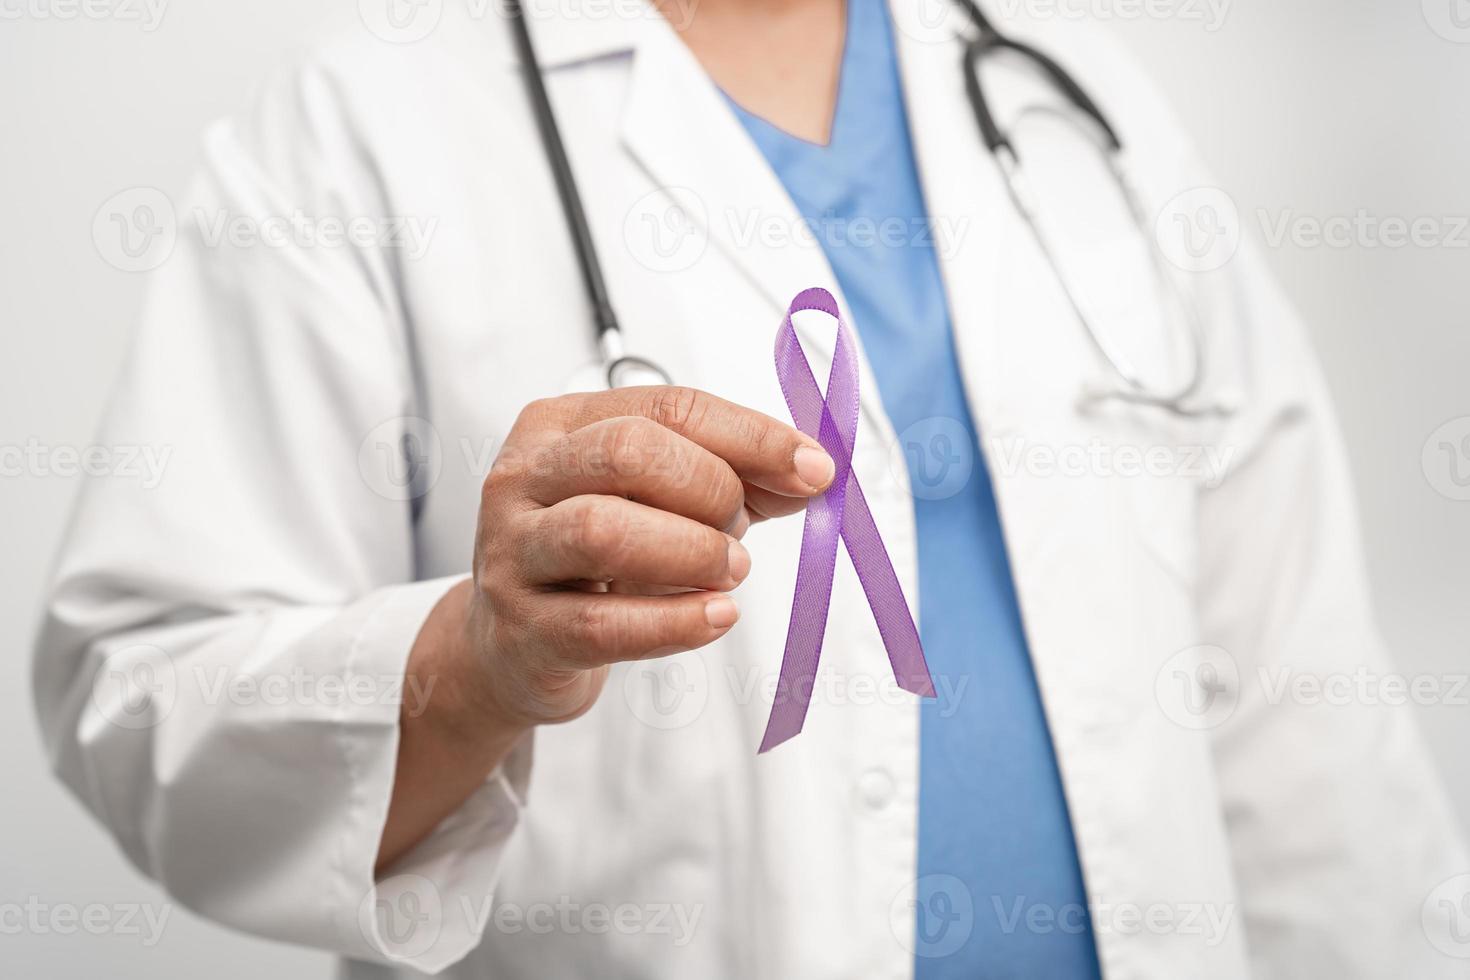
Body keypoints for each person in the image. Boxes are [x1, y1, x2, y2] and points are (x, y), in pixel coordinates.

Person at [34, 0, 1466, 976]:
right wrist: (472, 662)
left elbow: (1298, 716)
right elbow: (139, 686)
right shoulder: (363, 136)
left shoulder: (1084, 112)